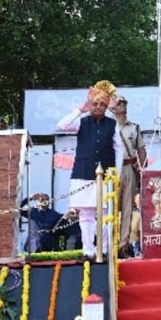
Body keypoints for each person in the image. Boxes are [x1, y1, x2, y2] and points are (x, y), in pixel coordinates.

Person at [57, 80, 123, 259]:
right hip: (83, 173)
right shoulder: (81, 122)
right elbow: (62, 125)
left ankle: (103, 249)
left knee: (105, 213)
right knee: (86, 214)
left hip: (106, 176)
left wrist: (117, 174)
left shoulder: (112, 124)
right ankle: (88, 250)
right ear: (90, 104)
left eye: (102, 104)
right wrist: (81, 109)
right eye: (95, 103)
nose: (99, 107)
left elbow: (118, 149)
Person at [112, 94, 147, 258]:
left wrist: (144, 170)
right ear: (112, 107)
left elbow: (141, 149)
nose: (122, 106)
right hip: (111, 171)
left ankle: (122, 247)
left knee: (127, 210)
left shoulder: (134, 127)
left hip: (129, 168)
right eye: (119, 103)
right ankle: (108, 245)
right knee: (110, 209)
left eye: (124, 103)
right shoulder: (109, 126)